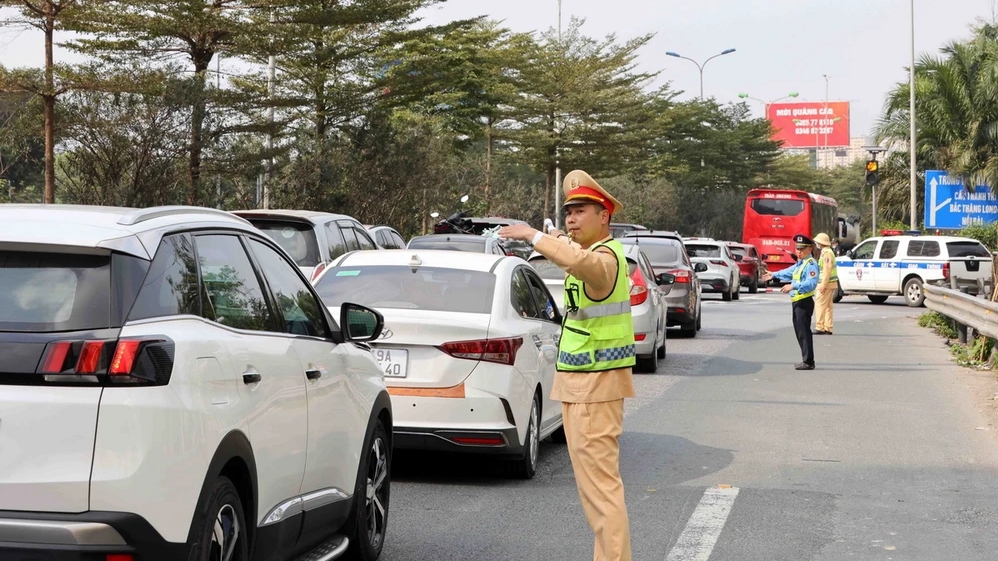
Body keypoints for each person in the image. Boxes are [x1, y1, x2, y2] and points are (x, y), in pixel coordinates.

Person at [498, 169, 635, 561]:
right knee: (595, 492)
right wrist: (554, 237)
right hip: (584, 385)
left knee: (601, 491)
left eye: (581, 211)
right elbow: (575, 258)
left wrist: (534, 237)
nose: (571, 218)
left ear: (604, 215)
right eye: (568, 212)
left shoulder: (606, 261)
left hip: (596, 387)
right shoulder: (592, 254)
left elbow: (584, 266)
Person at [761, 233, 820, 370]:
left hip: (804, 301)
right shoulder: (801, 263)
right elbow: (789, 272)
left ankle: (808, 361)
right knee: (799, 332)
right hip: (797, 301)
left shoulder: (811, 264)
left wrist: (793, 286)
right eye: (797, 249)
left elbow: (811, 283)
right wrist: (774, 274)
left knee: (804, 332)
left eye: (801, 249)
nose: (798, 252)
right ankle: (806, 359)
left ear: (810, 249)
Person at [812, 232, 838, 335]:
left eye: (817, 242)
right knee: (828, 306)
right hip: (830, 283)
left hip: (826, 283)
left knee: (820, 304)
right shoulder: (828, 251)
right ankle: (828, 327)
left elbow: (827, 270)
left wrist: (823, 285)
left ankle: (820, 327)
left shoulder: (826, 253)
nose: (817, 244)